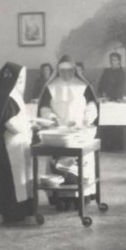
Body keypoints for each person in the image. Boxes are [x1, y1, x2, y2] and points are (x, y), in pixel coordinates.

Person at [38, 57, 99, 193]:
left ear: (74, 70)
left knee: (82, 164)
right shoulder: (51, 87)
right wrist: (53, 118)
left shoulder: (83, 86)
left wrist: (86, 119)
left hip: (80, 130)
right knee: (58, 166)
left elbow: (92, 105)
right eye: (63, 71)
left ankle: (83, 196)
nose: (66, 74)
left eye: (69, 70)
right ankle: (58, 197)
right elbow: (44, 108)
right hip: (58, 132)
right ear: (58, 71)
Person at [0, 63, 35, 224]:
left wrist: (30, 123)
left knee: (22, 175)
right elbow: (10, 122)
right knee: (12, 179)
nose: (21, 82)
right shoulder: (6, 96)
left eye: (23, 78)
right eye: (18, 79)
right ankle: (11, 212)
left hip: (19, 142)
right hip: (9, 145)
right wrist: (29, 126)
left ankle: (23, 208)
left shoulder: (15, 95)